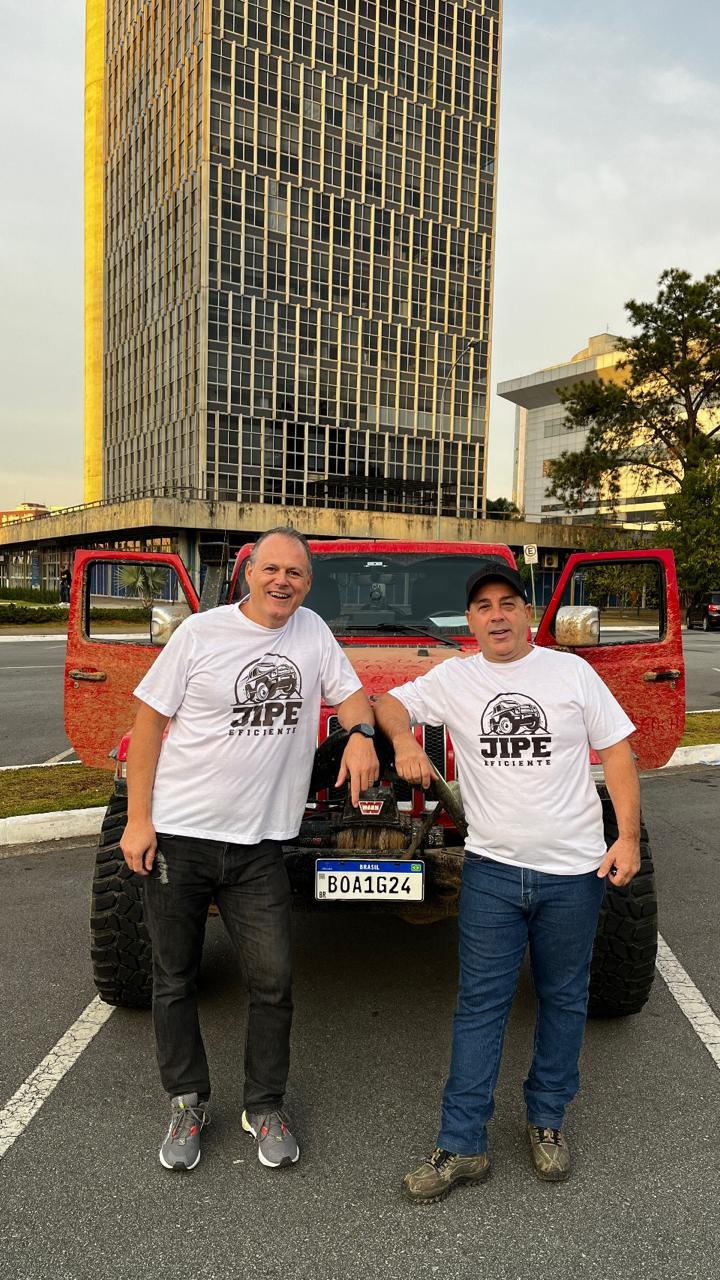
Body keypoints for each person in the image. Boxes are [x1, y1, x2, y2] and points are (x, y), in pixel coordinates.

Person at [375, 556, 640, 1202]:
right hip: (492, 872)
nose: (497, 616)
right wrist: (405, 742)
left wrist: (627, 836)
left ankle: (546, 1121)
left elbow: (617, 750)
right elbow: (389, 702)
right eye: (483, 607)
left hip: (573, 872)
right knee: (480, 1006)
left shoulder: (570, 673)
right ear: (470, 621)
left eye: (508, 604)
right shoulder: (455, 678)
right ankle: (462, 1143)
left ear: (527, 613)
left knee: (564, 998)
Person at [120, 527, 379, 1173]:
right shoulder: (200, 634)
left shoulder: (312, 632)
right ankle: (186, 1101)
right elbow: (148, 724)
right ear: (249, 574)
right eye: (271, 569)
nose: (281, 581)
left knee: (273, 982)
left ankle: (264, 1106)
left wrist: (361, 734)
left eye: (294, 572)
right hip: (181, 835)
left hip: (260, 846)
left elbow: (350, 694)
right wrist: (138, 820)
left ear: (308, 583)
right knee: (174, 978)